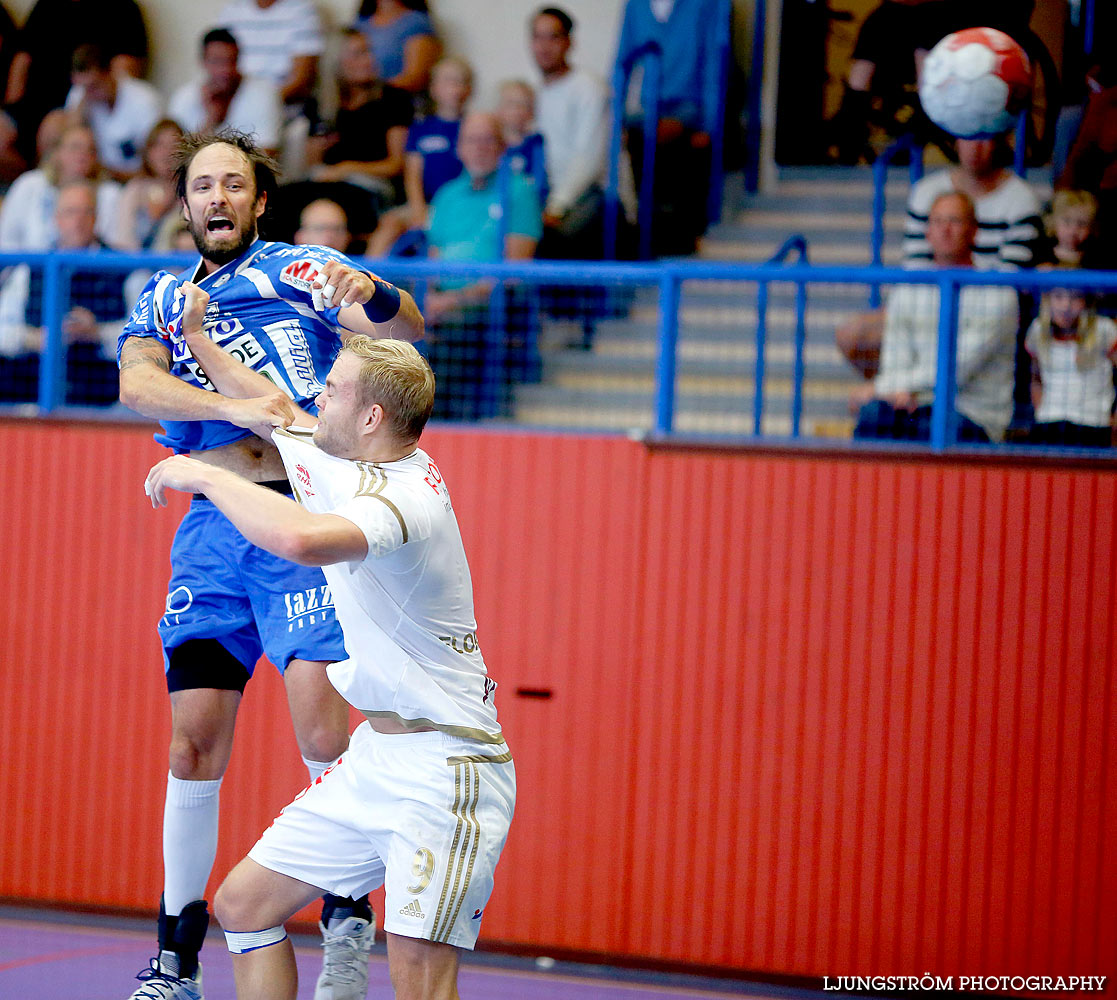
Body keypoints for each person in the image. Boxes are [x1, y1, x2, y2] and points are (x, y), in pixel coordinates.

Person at [116, 127, 424, 1000]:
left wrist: (372, 289)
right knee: (189, 745)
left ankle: (345, 913)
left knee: (322, 734)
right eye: (202, 185)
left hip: (296, 517)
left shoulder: (296, 269)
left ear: (257, 201)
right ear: (184, 205)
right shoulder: (166, 297)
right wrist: (245, 406)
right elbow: (139, 383)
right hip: (212, 533)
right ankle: (174, 959)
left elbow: (405, 330)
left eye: (233, 184)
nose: (217, 197)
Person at [143, 324, 514, 1000]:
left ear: (370, 416)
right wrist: (196, 336)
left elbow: (299, 538)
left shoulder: (404, 499)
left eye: (334, 389)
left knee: (419, 982)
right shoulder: (349, 453)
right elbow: (275, 407)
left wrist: (204, 473)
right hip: (377, 759)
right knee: (245, 906)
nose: (318, 395)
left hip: (444, 768)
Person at [838, 135, 1042, 379]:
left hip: (984, 306)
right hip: (928, 300)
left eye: (984, 139)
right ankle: (898, 399)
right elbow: (916, 269)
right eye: (968, 138)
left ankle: (909, 391)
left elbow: (1008, 280)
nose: (975, 148)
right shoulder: (926, 190)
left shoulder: (1021, 198)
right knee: (853, 332)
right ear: (956, 142)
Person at [854, 191, 1019, 443]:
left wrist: (884, 387)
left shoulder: (998, 293)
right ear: (927, 232)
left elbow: (956, 368)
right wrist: (897, 392)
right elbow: (895, 360)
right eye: (938, 222)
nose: (945, 230)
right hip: (914, 403)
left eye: (955, 221)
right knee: (873, 416)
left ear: (974, 231)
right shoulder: (907, 289)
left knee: (928, 428)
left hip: (972, 415)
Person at [422, 111, 541, 420]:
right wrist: (428, 298)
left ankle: (441, 421)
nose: (479, 148)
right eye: (471, 140)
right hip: (441, 299)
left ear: (502, 146)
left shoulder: (519, 190)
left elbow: (514, 270)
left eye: (488, 139)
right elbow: (431, 263)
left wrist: (452, 301)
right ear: (459, 147)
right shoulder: (447, 195)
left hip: (490, 301)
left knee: (456, 324)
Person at [0, 179, 125, 405]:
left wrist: (98, 332)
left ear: (96, 219)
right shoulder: (31, 267)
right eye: (70, 212)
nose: (78, 221)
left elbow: (147, 334)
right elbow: (3, 328)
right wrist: (34, 338)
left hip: (101, 383)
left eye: (85, 213)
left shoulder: (123, 267)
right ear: (56, 219)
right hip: (34, 377)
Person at [615, 0, 724, 255]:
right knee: (640, 146)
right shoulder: (636, 6)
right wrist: (617, 119)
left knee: (678, 155)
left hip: (688, 108)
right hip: (646, 108)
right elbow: (622, 58)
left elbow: (712, 61)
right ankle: (650, 240)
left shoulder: (703, 5)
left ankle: (684, 238)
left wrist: (707, 124)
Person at [3, 0, 148, 162]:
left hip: (78, 102)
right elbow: (23, 57)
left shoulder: (123, 9)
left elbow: (125, 71)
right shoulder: (47, 5)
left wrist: (89, 94)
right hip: (32, 101)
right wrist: (11, 106)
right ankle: (28, 183)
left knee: (53, 128)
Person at [528, 5, 611, 260]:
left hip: (595, 196)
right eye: (537, 37)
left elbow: (589, 160)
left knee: (547, 242)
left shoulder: (589, 87)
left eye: (553, 37)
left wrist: (556, 207)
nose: (544, 46)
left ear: (569, 42)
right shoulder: (536, 94)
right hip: (551, 197)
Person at [365, 55, 470, 256]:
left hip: (459, 206)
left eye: (461, 81)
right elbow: (412, 174)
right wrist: (418, 209)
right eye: (448, 81)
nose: (455, 88)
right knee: (390, 223)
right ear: (434, 88)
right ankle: (365, 275)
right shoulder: (421, 129)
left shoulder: (472, 128)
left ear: (469, 89)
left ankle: (430, 285)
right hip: (424, 203)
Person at [1025, 279, 1117, 448]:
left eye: (1075, 298)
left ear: (1086, 302)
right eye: (1058, 297)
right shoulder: (1037, 330)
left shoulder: (1104, 329)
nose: (1066, 306)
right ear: (1048, 300)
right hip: (1048, 423)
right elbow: (1036, 378)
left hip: (1092, 424)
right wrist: (1041, 411)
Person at [0, 121, 119, 250]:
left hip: (92, 266)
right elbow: (7, 238)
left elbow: (114, 242)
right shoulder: (30, 184)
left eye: (90, 150)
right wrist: (23, 268)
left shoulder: (109, 193)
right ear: (57, 151)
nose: (82, 155)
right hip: (31, 265)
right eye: (75, 147)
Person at [169, 28, 283, 155]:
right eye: (217, 61)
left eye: (231, 60)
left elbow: (267, 153)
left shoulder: (263, 94)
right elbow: (175, 156)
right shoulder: (184, 97)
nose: (226, 70)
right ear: (203, 62)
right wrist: (210, 121)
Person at [218, 0, 323, 114]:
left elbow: (301, 81)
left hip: (283, 111)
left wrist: (258, 107)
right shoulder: (232, 12)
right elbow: (217, 67)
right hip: (236, 110)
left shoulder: (301, 11)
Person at [109, 119, 185, 251]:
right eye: (159, 145)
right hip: (139, 265)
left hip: (179, 267)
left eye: (174, 145)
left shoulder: (192, 191)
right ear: (148, 151)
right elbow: (123, 239)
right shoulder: (134, 190)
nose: (166, 153)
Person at [353, 0, 441, 95]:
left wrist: (373, 95)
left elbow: (416, 78)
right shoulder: (359, 24)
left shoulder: (416, 23)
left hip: (398, 101)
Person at [496, 79, 548, 205]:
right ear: (499, 109)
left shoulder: (537, 143)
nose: (517, 111)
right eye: (511, 104)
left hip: (528, 205)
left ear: (532, 112)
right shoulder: (493, 144)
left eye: (523, 105)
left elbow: (540, 181)